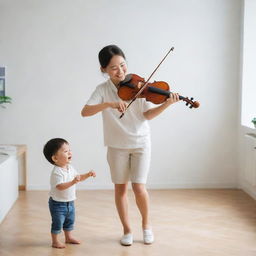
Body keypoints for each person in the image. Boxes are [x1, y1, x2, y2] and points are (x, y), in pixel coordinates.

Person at [81, 45, 179, 246]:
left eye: (123, 65)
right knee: (120, 189)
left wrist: (166, 104)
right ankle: (126, 229)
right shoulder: (102, 90)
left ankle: (146, 226)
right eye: (114, 68)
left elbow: (147, 116)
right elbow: (85, 112)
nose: (121, 71)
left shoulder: (139, 86)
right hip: (116, 146)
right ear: (104, 70)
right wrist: (109, 104)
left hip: (141, 143)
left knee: (139, 187)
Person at [43, 138, 96, 249]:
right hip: (58, 204)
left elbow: (78, 177)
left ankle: (68, 237)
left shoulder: (70, 168)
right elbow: (60, 186)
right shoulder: (57, 172)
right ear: (55, 158)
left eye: (69, 150)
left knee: (69, 221)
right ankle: (55, 241)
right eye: (66, 151)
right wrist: (72, 182)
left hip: (70, 202)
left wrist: (88, 174)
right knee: (58, 223)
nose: (70, 153)